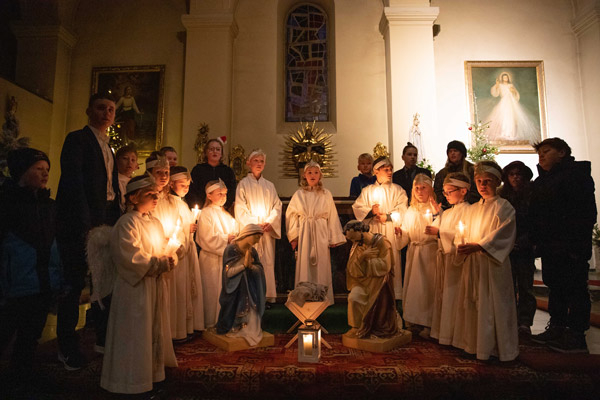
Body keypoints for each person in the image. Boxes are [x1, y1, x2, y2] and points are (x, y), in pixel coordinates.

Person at [55, 92, 120, 370]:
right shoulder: (77, 139)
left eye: (111, 109)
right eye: (101, 108)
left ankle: (102, 340)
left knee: (103, 282)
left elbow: (111, 188)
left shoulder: (109, 147)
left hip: (105, 218)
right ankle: (66, 347)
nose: (107, 113)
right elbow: (74, 184)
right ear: (89, 111)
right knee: (74, 284)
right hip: (80, 222)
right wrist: (85, 224)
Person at [100, 175, 177, 394]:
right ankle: (130, 382)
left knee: (151, 331)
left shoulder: (154, 222)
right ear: (133, 198)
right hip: (134, 289)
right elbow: (130, 256)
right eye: (150, 195)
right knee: (134, 335)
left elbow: (161, 247)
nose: (156, 198)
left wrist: (170, 256)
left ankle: (151, 376)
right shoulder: (126, 223)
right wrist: (158, 263)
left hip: (153, 285)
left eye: (156, 194)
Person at [0, 148, 62, 391]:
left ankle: (21, 376)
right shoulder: (7, 203)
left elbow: (54, 244)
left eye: (47, 169)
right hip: (15, 284)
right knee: (5, 331)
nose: (45, 174)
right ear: (22, 172)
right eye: (39, 169)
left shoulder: (49, 205)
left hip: (42, 282)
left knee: (31, 334)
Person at [529, 138, 596, 353]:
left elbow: (584, 213)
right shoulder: (544, 180)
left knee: (575, 289)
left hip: (570, 245)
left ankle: (576, 335)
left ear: (562, 152)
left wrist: (574, 244)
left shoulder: (576, 175)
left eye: (547, 151)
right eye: (539, 153)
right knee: (555, 287)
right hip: (550, 245)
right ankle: (557, 327)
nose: (541, 155)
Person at [453, 161, 518, 362]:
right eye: (479, 181)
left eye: (487, 181)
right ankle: (473, 345)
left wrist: (480, 246)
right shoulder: (472, 209)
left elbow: (504, 234)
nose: (483, 185)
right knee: (473, 304)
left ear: (497, 182)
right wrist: (461, 244)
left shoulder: (504, 207)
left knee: (494, 305)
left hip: (492, 265)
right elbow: (461, 231)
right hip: (474, 264)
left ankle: (497, 349)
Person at [286, 161, 346, 305]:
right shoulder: (299, 194)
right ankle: (303, 296)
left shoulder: (326, 194)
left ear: (320, 175)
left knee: (321, 263)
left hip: (321, 232)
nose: (312, 175)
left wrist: (333, 237)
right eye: (309, 172)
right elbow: (291, 215)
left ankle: (322, 297)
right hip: (305, 232)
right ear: (304, 175)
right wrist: (294, 236)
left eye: (316, 172)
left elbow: (332, 216)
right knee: (305, 263)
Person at [425, 172, 472, 345]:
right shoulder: (449, 211)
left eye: (449, 191)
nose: (446, 195)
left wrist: (440, 233)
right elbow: (441, 226)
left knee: (455, 297)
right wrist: (436, 216)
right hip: (445, 259)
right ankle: (443, 333)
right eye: (444, 192)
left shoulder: (469, 210)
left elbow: (464, 232)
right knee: (444, 296)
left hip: (457, 262)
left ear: (463, 191)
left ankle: (455, 335)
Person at [352, 157, 408, 300]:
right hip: (374, 230)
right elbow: (357, 208)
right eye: (386, 170)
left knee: (390, 260)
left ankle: (393, 294)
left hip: (390, 230)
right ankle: (373, 293)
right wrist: (371, 211)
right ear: (376, 171)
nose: (390, 172)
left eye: (391, 170)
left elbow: (403, 209)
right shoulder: (367, 191)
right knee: (374, 260)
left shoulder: (398, 190)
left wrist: (388, 217)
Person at [234, 150, 282, 304]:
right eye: (255, 160)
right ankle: (251, 297)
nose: (259, 163)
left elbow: (277, 207)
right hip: (251, 233)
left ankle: (267, 297)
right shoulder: (243, 184)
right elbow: (240, 208)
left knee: (267, 263)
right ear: (249, 163)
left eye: (261, 161)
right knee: (251, 261)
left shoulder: (270, 186)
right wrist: (255, 224)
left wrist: (270, 221)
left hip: (266, 232)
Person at [398, 173, 440, 338]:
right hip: (414, 252)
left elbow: (441, 228)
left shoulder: (436, 209)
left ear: (430, 190)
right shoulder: (411, 210)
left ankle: (428, 323)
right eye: (417, 188)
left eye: (424, 188)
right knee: (414, 288)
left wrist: (436, 218)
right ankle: (412, 321)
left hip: (429, 253)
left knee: (427, 289)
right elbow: (406, 233)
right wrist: (400, 232)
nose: (420, 191)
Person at [343, 220, 400, 339]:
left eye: (353, 238)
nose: (352, 241)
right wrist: (362, 257)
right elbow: (351, 268)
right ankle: (356, 327)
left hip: (378, 283)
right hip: (362, 282)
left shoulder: (382, 242)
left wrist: (367, 261)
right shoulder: (357, 244)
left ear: (360, 231)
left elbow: (385, 265)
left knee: (374, 301)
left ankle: (373, 328)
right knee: (354, 298)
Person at [166, 166, 204, 340]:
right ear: (172, 184)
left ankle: (186, 328)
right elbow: (171, 227)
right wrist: (185, 231)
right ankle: (177, 331)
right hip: (178, 252)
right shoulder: (169, 203)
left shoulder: (182, 203)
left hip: (188, 251)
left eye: (188, 185)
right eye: (182, 185)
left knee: (186, 289)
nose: (186, 188)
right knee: (179, 291)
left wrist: (191, 229)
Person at [499, 161, 536, 337]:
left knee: (525, 285)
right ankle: (510, 319)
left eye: (518, 174)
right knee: (507, 285)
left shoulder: (531, 195)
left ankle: (525, 322)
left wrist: (526, 240)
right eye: (512, 174)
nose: (515, 177)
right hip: (506, 245)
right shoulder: (502, 195)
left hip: (525, 245)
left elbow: (535, 221)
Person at [216, 224, 266, 346]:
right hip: (235, 290)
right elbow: (228, 273)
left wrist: (252, 267)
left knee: (251, 314)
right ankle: (234, 327)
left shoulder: (253, 251)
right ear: (248, 234)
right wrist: (243, 266)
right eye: (256, 237)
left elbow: (259, 269)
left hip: (250, 290)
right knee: (231, 309)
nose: (257, 241)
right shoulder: (231, 250)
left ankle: (247, 328)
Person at [196, 179, 238, 328]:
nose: (223, 197)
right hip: (211, 259)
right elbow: (205, 237)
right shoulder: (206, 213)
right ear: (209, 195)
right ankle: (211, 322)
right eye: (219, 193)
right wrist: (226, 238)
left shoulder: (227, 215)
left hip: (226, 259)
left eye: (225, 194)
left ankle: (224, 321)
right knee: (212, 291)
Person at [486, 72, 539, 143]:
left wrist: (513, 91)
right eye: (504, 77)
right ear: (502, 78)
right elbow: (495, 93)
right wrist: (497, 85)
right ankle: (504, 133)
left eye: (506, 77)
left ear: (508, 78)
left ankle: (511, 134)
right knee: (504, 118)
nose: (505, 78)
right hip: (504, 102)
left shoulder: (511, 85)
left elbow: (516, 95)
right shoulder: (500, 85)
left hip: (511, 103)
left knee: (511, 118)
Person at [187, 138, 237, 213]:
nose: (215, 151)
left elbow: (232, 192)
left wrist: (224, 206)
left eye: (218, 149)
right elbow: (191, 191)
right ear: (206, 152)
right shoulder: (198, 170)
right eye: (211, 149)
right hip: (201, 209)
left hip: (222, 210)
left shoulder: (228, 171)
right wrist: (199, 207)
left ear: (221, 153)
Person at [433, 141, 480, 210]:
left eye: (455, 151)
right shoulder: (442, 173)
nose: (452, 153)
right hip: (448, 209)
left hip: (469, 208)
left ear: (462, 153)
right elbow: (438, 192)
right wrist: (448, 202)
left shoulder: (472, 170)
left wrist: (463, 200)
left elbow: (476, 190)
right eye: (450, 151)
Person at [115, 144, 139, 213]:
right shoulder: (114, 181)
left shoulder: (136, 183)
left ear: (136, 165)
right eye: (125, 158)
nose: (129, 163)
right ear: (116, 161)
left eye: (133, 160)